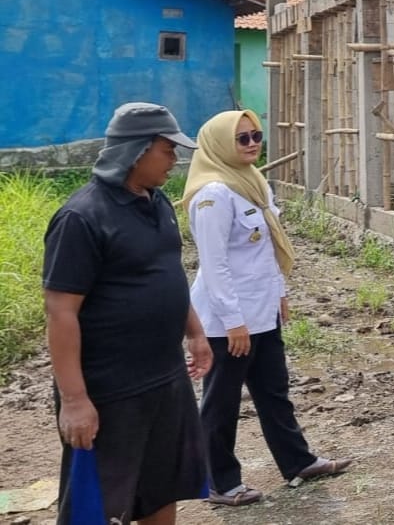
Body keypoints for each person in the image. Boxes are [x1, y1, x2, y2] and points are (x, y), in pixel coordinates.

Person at [43, 102, 212, 525]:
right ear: (137, 151)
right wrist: (75, 401)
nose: (174, 160)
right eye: (167, 150)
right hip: (111, 391)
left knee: (161, 490)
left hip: (165, 378)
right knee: (98, 508)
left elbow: (167, 272)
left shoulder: (157, 202)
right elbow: (60, 311)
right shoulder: (81, 217)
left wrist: (195, 332)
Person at [184, 110, 350, 507]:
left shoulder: (253, 184)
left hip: (261, 310)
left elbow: (266, 250)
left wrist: (279, 293)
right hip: (228, 320)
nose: (252, 143)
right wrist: (233, 322)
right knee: (221, 403)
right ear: (219, 145)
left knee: (274, 391)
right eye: (241, 138)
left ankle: (298, 461)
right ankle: (219, 482)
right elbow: (215, 265)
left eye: (256, 135)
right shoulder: (212, 195)